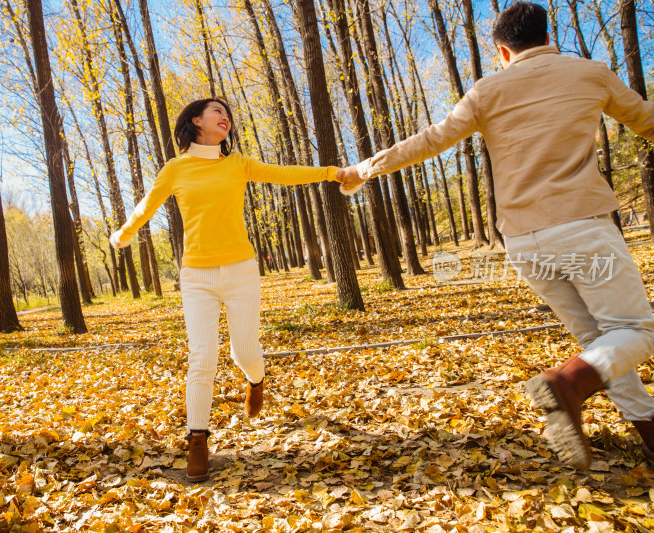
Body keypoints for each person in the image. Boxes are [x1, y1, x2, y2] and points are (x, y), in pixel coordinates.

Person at [338, 2, 654, 469]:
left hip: (524, 242)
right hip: (582, 227)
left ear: (503, 51)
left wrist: (365, 168)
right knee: (637, 333)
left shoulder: (487, 89)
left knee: (599, 341)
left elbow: (431, 139)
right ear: (549, 35)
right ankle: (566, 382)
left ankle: (648, 434)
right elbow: (647, 122)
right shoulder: (591, 73)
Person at [110, 98, 341, 482]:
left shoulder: (238, 164)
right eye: (216, 110)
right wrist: (124, 233)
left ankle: (255, 380)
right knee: (202, 357)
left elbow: (286, 174)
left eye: (226, 112)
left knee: (245, 352)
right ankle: (197, 440)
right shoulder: (175, 169)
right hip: (196, 276)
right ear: (196, 120)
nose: (225, 115)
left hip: (241, 271)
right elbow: (146, 206)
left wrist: (333, 173)